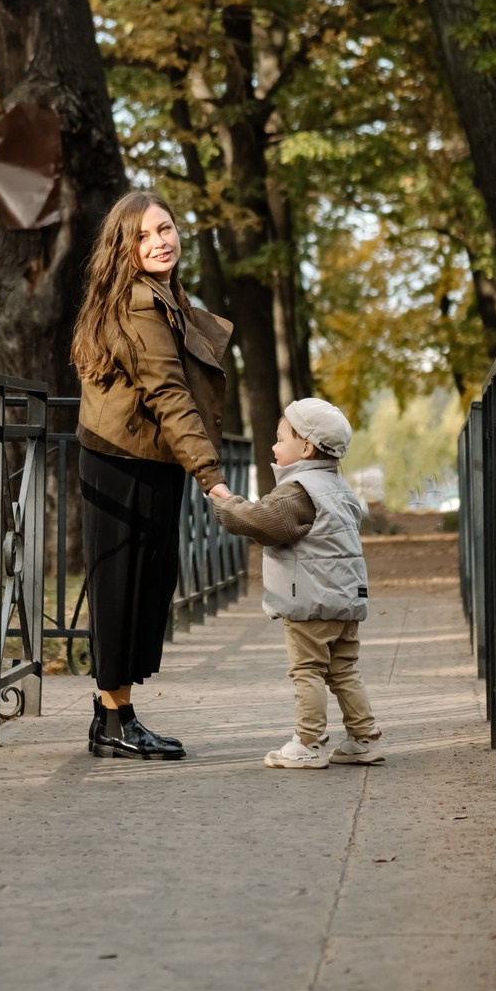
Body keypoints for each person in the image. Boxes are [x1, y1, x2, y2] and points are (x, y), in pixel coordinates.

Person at [71, 190, 232, 761]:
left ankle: (112, 715)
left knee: (143, 590)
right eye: (141, 235)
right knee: (124, 592)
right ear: (123, 247)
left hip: (143, 458)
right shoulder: (140, 303)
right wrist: (212, 476)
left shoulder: (161, 296)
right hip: (123, 462)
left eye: (164, 229)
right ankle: (116, 722)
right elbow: (168, 395)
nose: (159, 242)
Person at [211, 397, 384, 769]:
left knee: (308, 671)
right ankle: (364, 737)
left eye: (279, 439)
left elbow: (263, 522)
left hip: (311, 602)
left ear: (305, 447)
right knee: (344, 670)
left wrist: (226, 504)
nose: (273, 447)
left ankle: (309, 741)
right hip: (345, 599)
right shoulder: (338, 487)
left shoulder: (298, 490)